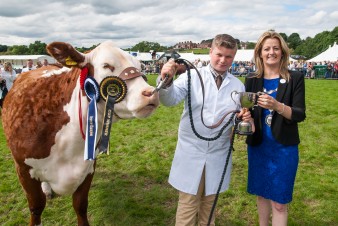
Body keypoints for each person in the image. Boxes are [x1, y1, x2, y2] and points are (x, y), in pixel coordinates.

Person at [159, 34, 253, 225]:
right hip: (191, 151)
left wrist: (241, 118)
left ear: (234, 57)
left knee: (209, 211)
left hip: (218, 153)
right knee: (187, 208)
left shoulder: (237, 85)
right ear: (210, 52)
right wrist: (166, 79)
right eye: (219, 54)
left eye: (229, 57)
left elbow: (238, 114)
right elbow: (169, 100)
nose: (223, 60)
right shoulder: (191, 76)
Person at [244, 30, 306, 226]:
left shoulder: (295, 78)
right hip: (259, 146)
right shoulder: (252, 79)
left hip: (284, 148)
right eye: (267, 48)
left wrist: (276, 106)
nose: (271, 52)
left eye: (276, 48)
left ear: (282, 52)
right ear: (260, 53)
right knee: (262, 195)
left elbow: (299, 114)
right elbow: (248, 110)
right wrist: (246, 116)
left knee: (279, 203)